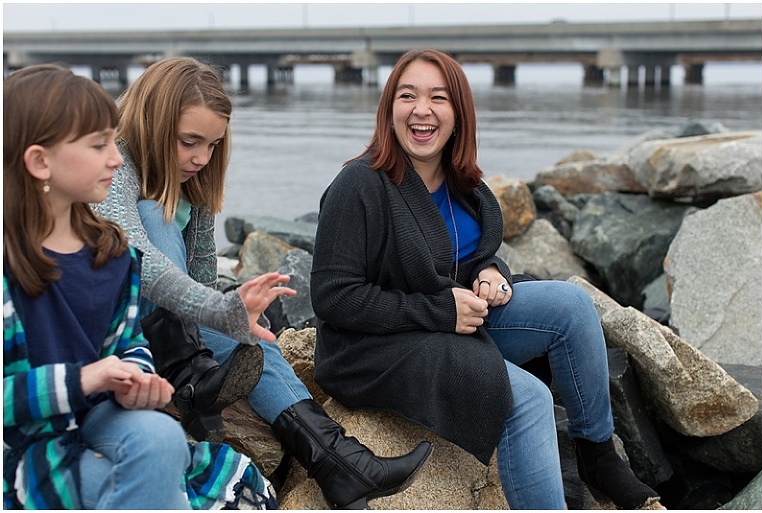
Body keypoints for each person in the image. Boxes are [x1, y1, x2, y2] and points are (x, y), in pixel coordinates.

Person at [309, 48, 663, 510]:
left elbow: (466, 255)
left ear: (458, 113)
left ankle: (599, 456)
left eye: (438, 97)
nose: (421, 110)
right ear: (388, 109)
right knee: (528, 398)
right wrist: (440, 309)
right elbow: (332, 297)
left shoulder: (465, 186)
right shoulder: (359, 185)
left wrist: (489, 271)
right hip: (374, 349)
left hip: (450, 322)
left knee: (572, 307)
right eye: (407, 95)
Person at [92, 56, 432, 509]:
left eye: (212, 145)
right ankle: (192, 375)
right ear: (152, 123)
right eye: (189, 142)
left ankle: (341, 463)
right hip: (112, 330)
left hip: (170, 332)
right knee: (159, 213)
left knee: (255, 335)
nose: (201, 158)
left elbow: (202, 279)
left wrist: (234, 314)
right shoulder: (113, 159)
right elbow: (135, 255)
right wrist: (218, 310)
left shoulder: (194, 174)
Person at [3, 63, 278, 510]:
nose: (116, 158)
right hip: (25, 434)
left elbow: (128, 339)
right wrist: (85, 378)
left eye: (114, 142)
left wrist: (136, 377)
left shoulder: (111, 252)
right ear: (39, 161)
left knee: (163, 437)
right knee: (142, 483)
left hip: (96, 413)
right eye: (99, 146)